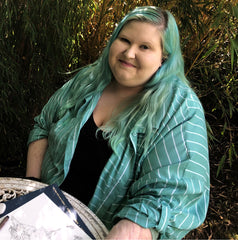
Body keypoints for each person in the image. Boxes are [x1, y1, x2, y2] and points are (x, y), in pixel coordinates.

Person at [26, 6, 210, 239]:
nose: (129, 52)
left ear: (164, 56)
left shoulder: (178, 107)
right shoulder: (89, 79)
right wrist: (32, 190)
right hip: (42, 220)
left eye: (145, 47)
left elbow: (171, 193)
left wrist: (129, 229)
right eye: (124, 40)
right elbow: (43, 126)